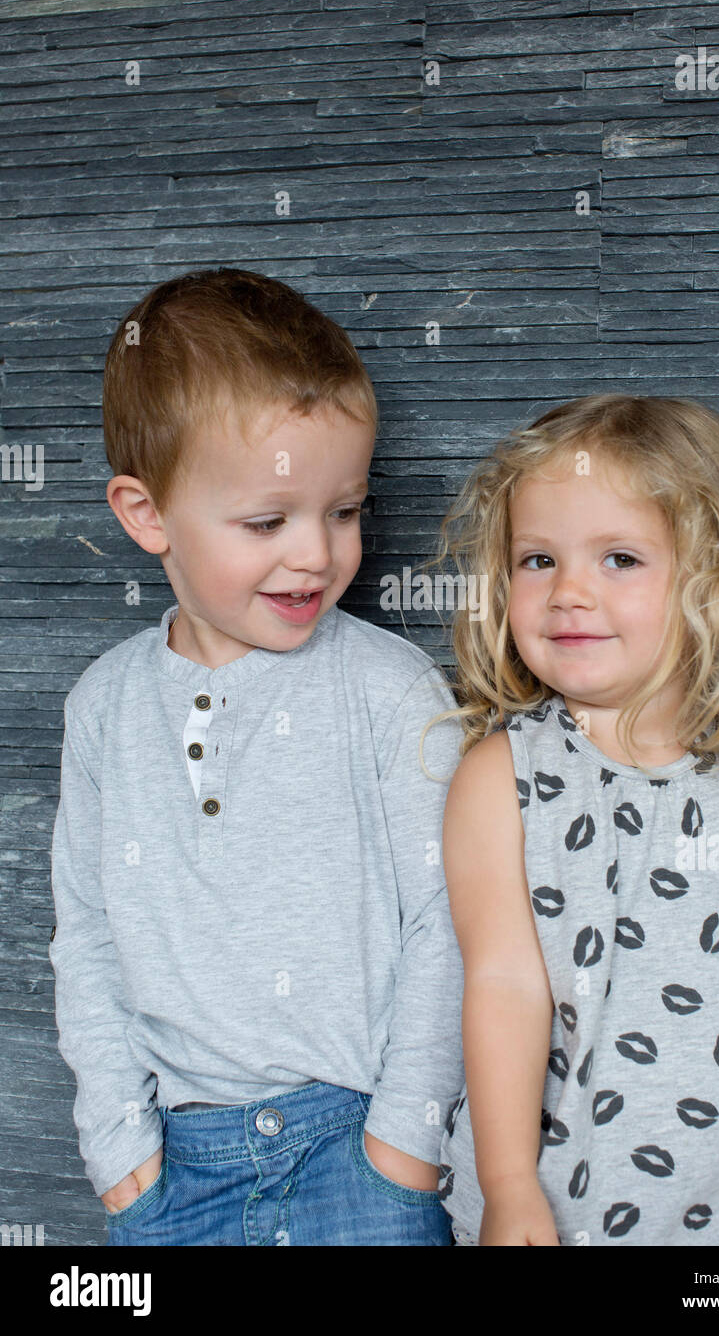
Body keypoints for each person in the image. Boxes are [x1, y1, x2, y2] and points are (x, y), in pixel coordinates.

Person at [48, 267, 465, 1245]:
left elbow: (449, 925)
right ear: (147, 515)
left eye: (345, 509)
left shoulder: (388, 687)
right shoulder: (104, 709)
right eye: (268, 521)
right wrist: (121, 1157)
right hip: (173, 1172)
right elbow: (89, 939)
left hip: (358, 1153)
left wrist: (404, 1146)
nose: (316, 554)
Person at [423, 393, 719, 1246]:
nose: (567, 593)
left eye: (619, 558)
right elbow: (503, 987)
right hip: (544, 1212)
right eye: (537, 560)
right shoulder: (497, 778)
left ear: (713, 582)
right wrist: (508, 1183)